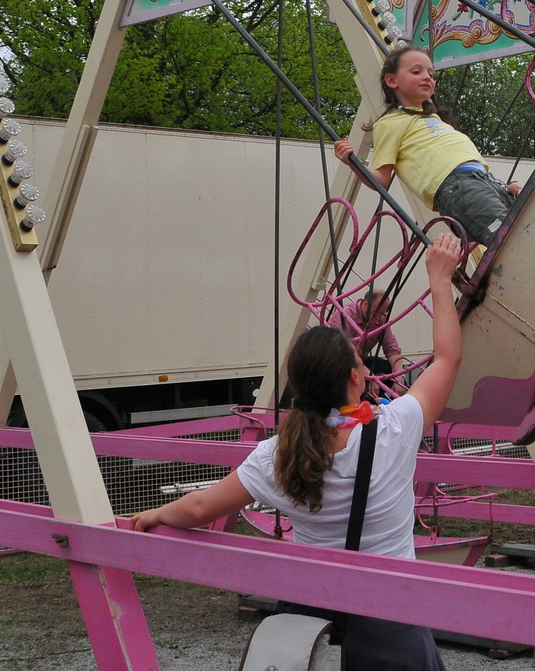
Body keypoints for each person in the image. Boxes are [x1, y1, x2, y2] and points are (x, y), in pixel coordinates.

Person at [131, 235, 466, 671]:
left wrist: (155, 514)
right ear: (355, 378)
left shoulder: (278, 454)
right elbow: (447, 359)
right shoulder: (394, 429)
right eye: (360, 362)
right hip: (392, 621)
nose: (366, 367)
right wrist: (439, 279)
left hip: (313, 625)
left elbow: (198, 508)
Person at [334, 45, 519, 246]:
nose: (427, 77)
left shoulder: (434, 118)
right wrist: (352, 161)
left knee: (524, 228)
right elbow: (381, 180)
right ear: (392, 80)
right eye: (416, 72)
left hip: (484, 181)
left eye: (431, 74)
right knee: (508, 236)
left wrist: (501, 189)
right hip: (458, 187)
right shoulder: (389, 123)